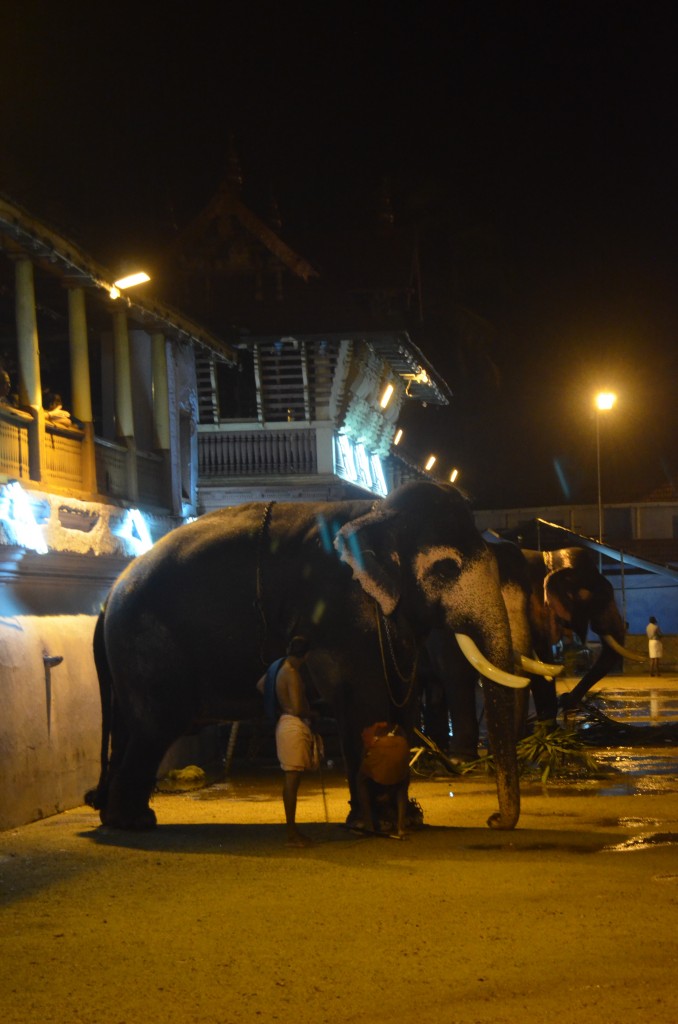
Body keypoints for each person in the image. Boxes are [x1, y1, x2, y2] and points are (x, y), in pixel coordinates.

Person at [256, 636, 319, 847]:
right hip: (293, 724)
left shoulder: (277, 666)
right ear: (306, 655)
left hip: (284, 721)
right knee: (292, 780)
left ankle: (293, 831)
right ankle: (292, 833)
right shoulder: (292, 673)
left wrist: (277, 704)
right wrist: (305, 711)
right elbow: (299, 708)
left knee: (292, 779)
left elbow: (261, 685)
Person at [355, 722, 411, 838]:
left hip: (379, 745)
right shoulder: (395, 725)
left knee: (361, 780)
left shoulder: (368, 726)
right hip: (401, 744)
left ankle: (368, 825)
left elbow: (364, 753)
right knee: (403, 785)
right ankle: (401, 827)